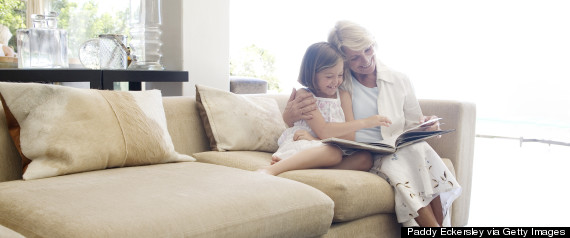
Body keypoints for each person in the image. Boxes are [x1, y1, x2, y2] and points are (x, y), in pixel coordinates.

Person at [282, 21, 462, 227]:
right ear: (344, 59)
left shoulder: (399, 79)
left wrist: (429, 126)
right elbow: (308, 115)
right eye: (355, 57)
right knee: (402, 162)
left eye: (368, 50)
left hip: (396, 148)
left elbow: (414, 124)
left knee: (419, 149)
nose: (366, 60)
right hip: (363, 153)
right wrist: (289, 116)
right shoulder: (339, 81)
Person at [257, 42, 392, 176]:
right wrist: (365, 122)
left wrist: (316, 141)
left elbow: (350, 137)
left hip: (324, 146)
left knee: (365, 159)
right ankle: (272, 170)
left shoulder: (344, 96)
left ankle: (309, 170)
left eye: (340, 75)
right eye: (329, 76)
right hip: (304, 144)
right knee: (332, 153)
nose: (336, 81)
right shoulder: (305, 95)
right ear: (312, 74)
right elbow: (324, 130)